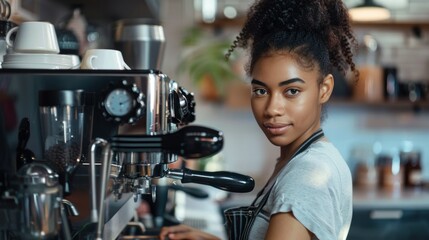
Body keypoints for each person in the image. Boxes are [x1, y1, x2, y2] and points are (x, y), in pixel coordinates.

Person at [159, 0, 357, 239]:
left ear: (324, 89)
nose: (272, 109)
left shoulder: (306, 174)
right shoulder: (306, 158)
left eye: (291, 91)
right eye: (261, 91)